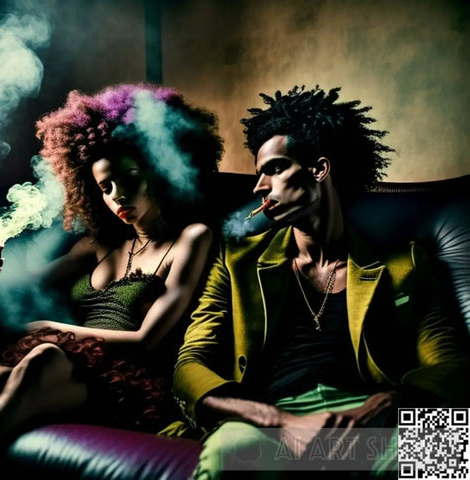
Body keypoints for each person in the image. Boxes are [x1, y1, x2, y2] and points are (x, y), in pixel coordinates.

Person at [172, 85, 470, 478]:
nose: (259, 187)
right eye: (259, 173)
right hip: (270, 427)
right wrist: (277, 420)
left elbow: (450, 365)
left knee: (451, 446)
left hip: (370, 424)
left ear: (318, 169)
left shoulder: (405, 264)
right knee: (228, 453)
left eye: (274, 168)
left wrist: (385, 403)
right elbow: (189, 365)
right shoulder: (237, 261)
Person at [0, 82, 223, 448]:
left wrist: (50, 330)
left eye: (128, 179)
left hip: (123, 381)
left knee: (44, 358)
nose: (118, 196)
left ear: (157, 172)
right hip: (68, 366)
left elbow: (146, 341)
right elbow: (21, 287)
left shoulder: (191, 238)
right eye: (106, 187)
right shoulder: (95, 246)